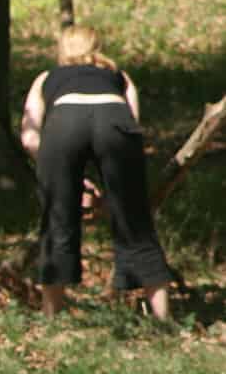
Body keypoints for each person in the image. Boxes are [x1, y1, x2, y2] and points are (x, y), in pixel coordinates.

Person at [19, 23, 174, 320]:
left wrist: (63, 174)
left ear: (63, 49)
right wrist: (109, 189)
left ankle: (51, 316)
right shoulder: (120, 78)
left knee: (58, 220)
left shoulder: (46, 78)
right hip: (113, 119)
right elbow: (133, 129)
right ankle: (163, 318)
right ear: (96, 47)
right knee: (135, 221)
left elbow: (29, 137)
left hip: (64, 122)